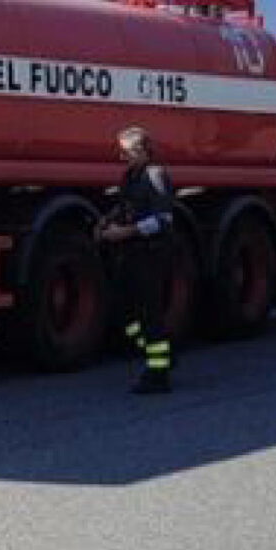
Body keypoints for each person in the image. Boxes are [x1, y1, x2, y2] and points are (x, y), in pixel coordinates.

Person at [97, 126, 179, 394]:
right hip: (132, 254)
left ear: (143, 150)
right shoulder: (130, 176)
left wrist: (126, 232)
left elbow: (163, 219)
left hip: (152, 254)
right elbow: (125, 206)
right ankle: (163, 354)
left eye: (127, 152)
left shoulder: (156, 176)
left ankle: (157, 374)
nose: (122, 157)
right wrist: (107, 220)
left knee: (149, 314)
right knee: (124, 310)